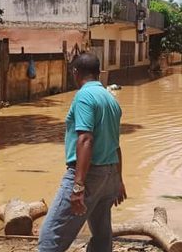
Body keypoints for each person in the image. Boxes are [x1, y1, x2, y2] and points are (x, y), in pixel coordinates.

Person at [38, 53, 127, 252]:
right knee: (102, 234)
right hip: (109, 175)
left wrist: (78, 186)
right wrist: (118, 181)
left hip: (88, 175)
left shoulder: (84, 97)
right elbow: (116, 144)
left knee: (51, 236)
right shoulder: (110, 99)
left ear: (75, 73)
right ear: (98, 73)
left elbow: (85, 139)